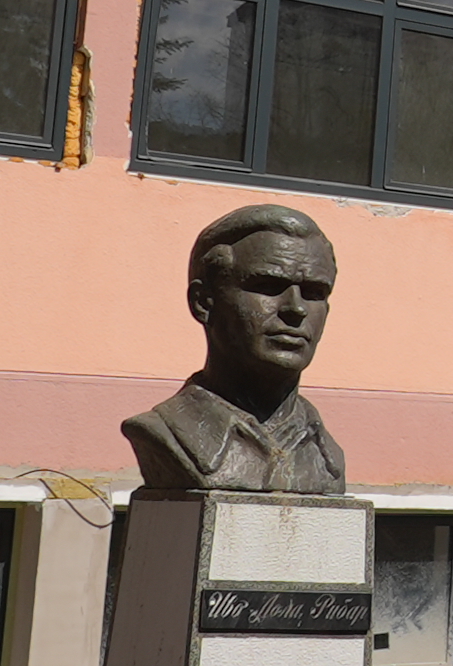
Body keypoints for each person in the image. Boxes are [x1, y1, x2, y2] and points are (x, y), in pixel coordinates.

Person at [122, 204, 348, 495]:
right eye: (267, 286)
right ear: (203, 302)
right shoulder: (163, 433)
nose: (296, 309)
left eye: (314, 293)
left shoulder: (328, 458)